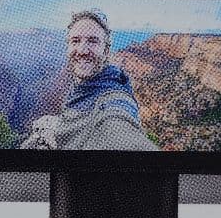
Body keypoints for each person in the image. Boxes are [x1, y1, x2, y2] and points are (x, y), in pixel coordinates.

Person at [21, 9, 157, 150]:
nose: (82, 50)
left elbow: (118, 124)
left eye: (92, 41)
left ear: (106, 51)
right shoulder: (83, 87)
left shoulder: (114, 97)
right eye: (75, 41)